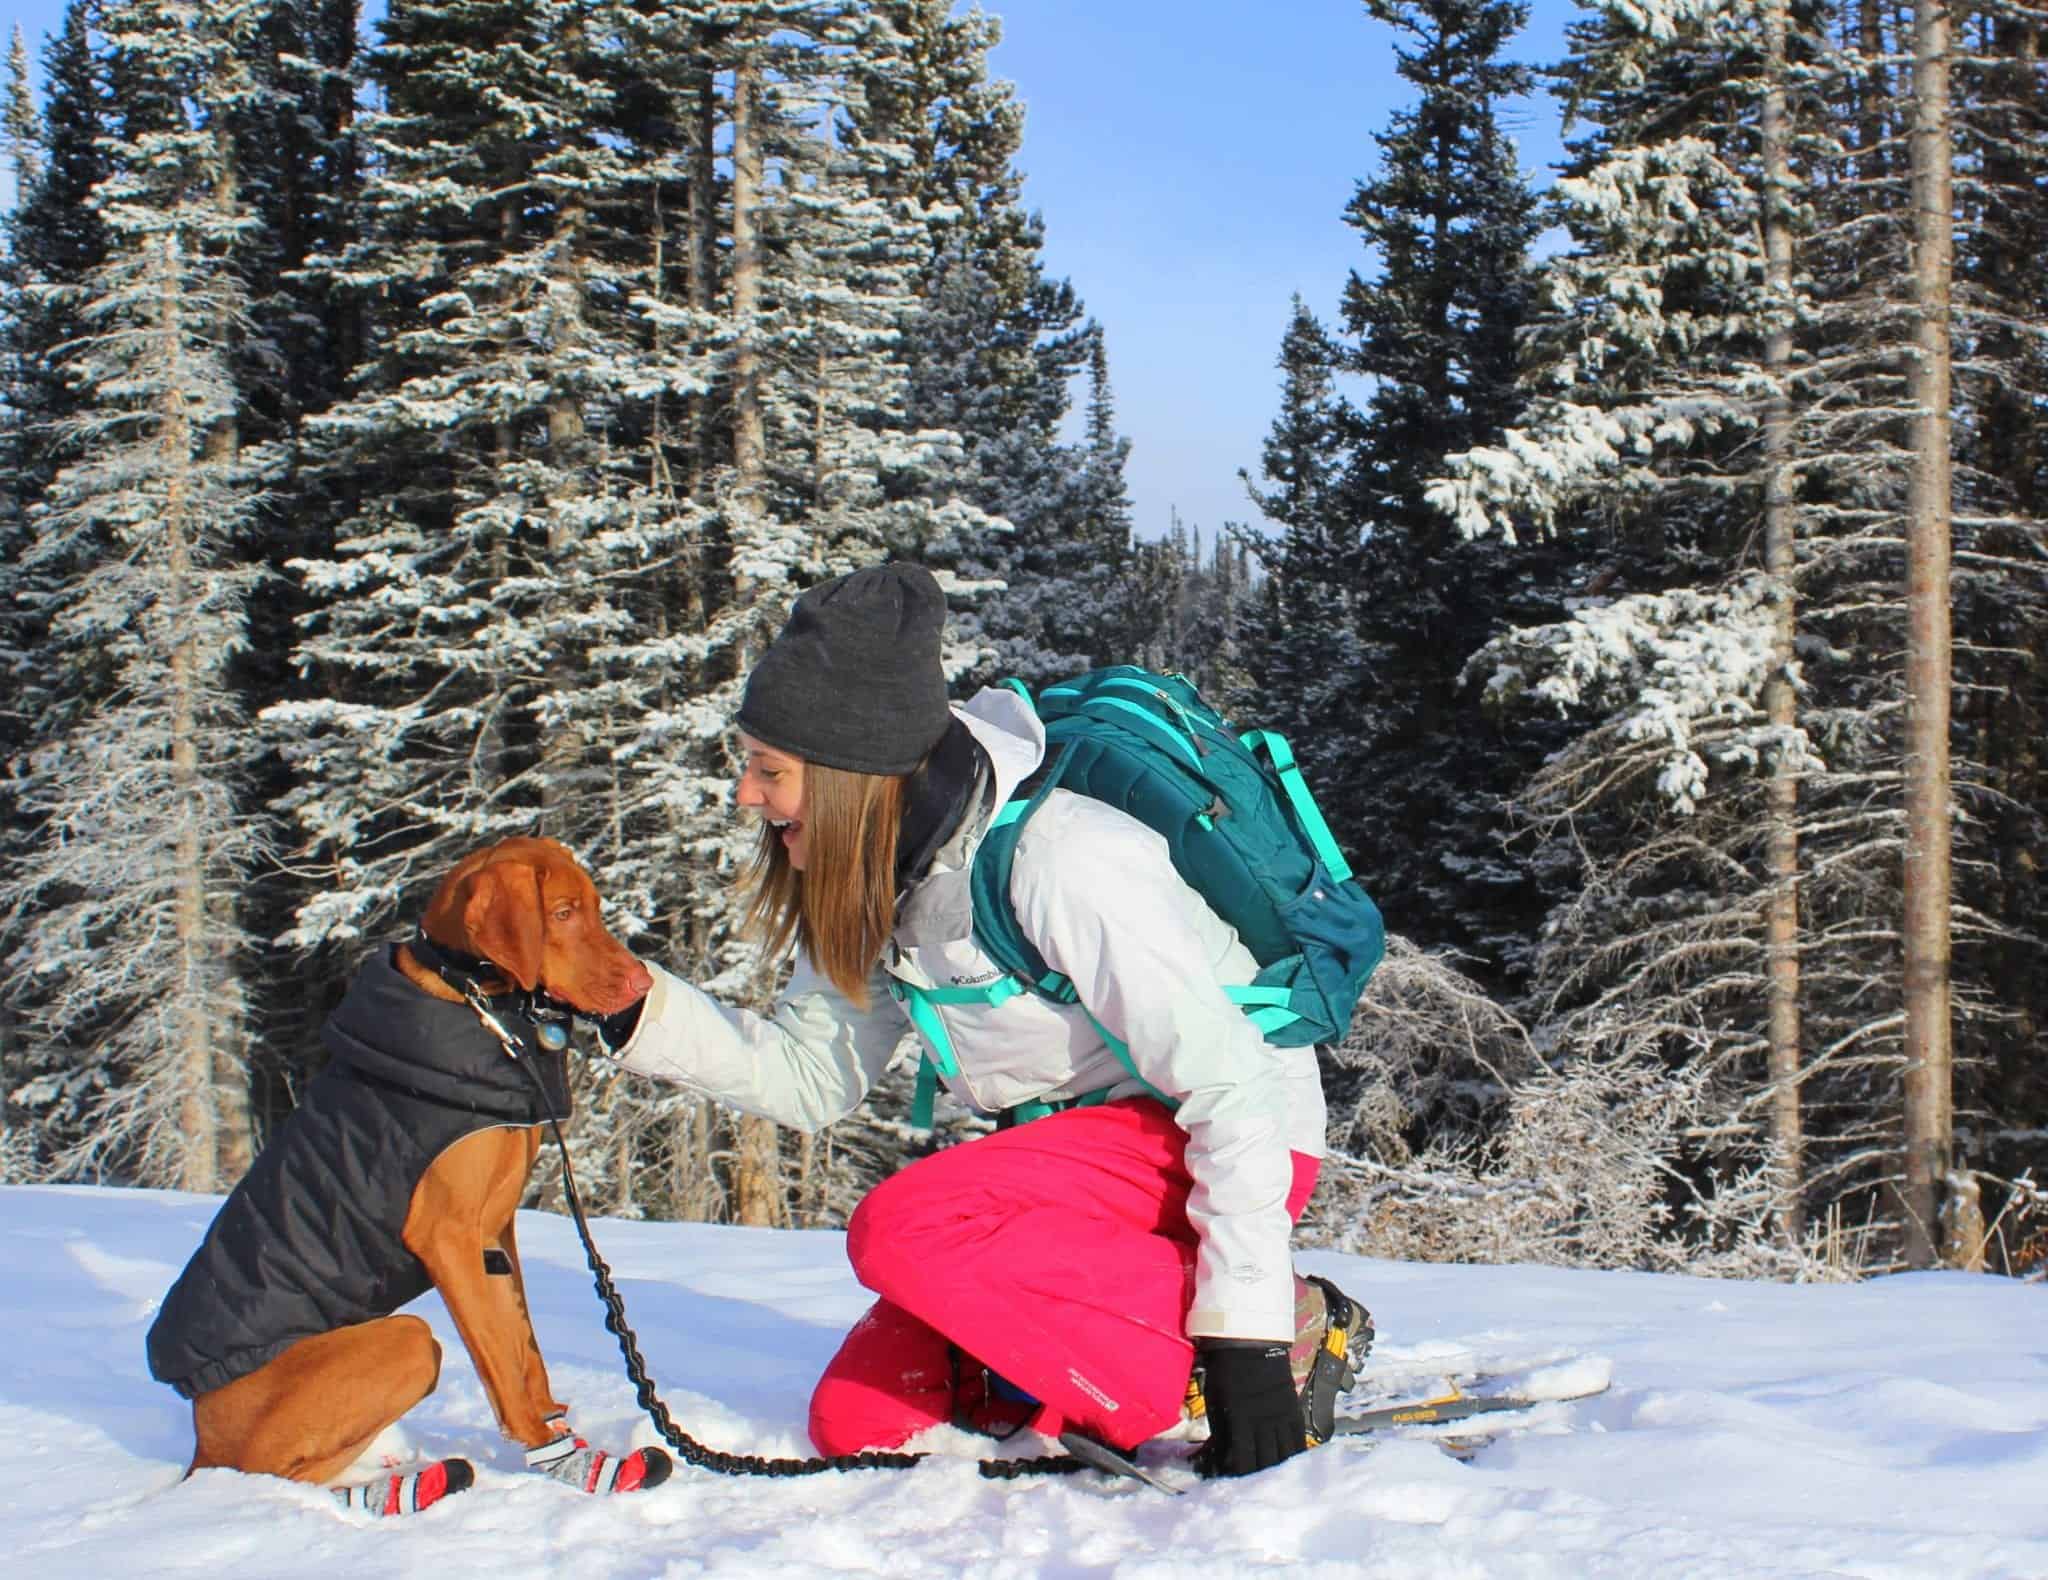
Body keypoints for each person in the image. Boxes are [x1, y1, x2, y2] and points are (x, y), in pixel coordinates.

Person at [598, 562, 1362, 1477]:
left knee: (907, 1228)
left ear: (854, 775)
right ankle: (1117, 1350)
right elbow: (813, 1078)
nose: (745, 796)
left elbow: (1229, 1083)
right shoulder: (872, 875)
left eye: (770, 772)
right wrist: (635, 1005)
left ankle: (1288, 1321)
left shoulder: (1060, 858)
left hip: (1231, 1139)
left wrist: (1246, 1333)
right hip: (1067, 1185)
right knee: (862, 1421)